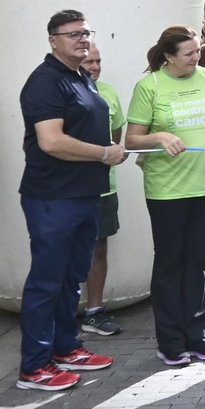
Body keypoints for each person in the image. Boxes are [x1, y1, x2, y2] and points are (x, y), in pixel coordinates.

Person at [126, 26, 205, 366]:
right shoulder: (150, 86)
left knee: (197, 263)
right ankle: (170, 340)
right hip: (167, 191)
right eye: (189, 53)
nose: (196, 57)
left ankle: (198, 333)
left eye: (197, 52)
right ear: (168, 56)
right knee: (169, 263)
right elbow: (131, 139)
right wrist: (160, 136)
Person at [16, 11, 118, 390]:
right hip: (52, 197)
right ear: (52, 40)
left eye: (86, 33)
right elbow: (51, 142)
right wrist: (103, 153)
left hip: (85, 193)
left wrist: (102, 154)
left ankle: (65, 347)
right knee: (47, 281)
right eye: (73, 34)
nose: (82, 39)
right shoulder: (45, 82)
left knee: (72, 277)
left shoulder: (81, 77)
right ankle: (34, 366)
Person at [79, 43, 125, 337]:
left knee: (99, 248)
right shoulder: (63, 91)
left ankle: (94, 312)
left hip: (105, 188)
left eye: (97, 61)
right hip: (71, 188)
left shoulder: (108, 92)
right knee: (69, 249)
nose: (94, 67)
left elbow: (117, 134)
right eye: (88, 62)